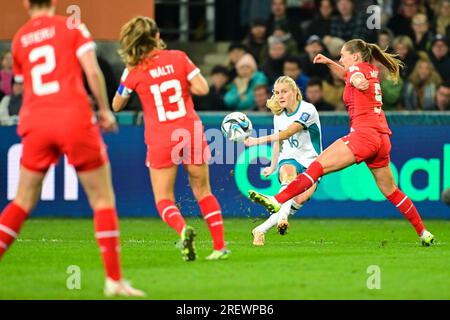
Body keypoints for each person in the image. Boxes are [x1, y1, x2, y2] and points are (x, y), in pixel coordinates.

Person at [0, 0, 144, 297]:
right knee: (102, 198)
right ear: (52, 2)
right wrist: (104, 110)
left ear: (26, 4)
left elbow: (22, 86)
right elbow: (92, 72)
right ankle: (114, 281)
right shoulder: (71, 25)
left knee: (22, 201)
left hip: (35, 120)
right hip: (73, 117)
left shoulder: (19, 39)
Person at [248, 39, 435, 247]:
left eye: (342, 55)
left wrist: (356, 80)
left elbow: (353, 76)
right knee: (392, 191)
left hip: (363, 136)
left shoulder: (356, 70)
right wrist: (329, 63)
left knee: (316, 167)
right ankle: (423, 233)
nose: (341, 59)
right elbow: (349, 75)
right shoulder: (371, 70)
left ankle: (277, 199)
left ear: (354, 57)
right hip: (382, 139)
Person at [112, 17, 229, 261]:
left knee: (164, 198)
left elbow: (117, 104)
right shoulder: (178, 57)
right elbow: (202, 88)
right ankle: (219, 247)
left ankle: (183, 229)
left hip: (161, 137)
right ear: (156, 37)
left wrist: (133, 80)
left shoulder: (133, 69)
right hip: (189, 130)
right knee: (203, 190)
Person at [244, 76, 322, 245]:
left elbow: (286, 133)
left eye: (284, 92)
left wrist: (255, 141)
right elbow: (279, 142)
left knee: (300, 198)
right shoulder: (279, 115)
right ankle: (283, 218)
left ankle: (260, 230)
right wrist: (273, 166)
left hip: (312, 162)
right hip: (289, 158)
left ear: (295, 92)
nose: (279, 96)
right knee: (288, 173)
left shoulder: (308, 110)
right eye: (276, 92)